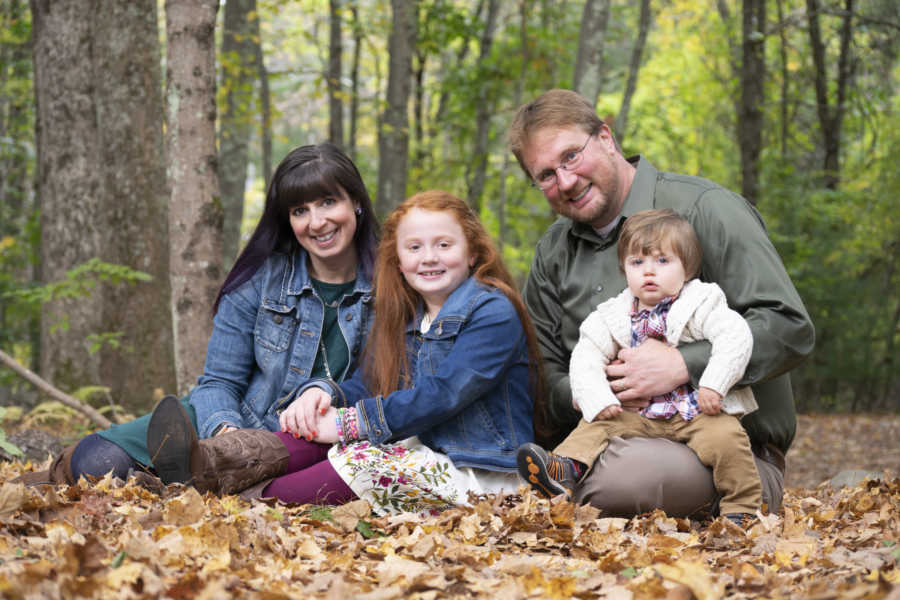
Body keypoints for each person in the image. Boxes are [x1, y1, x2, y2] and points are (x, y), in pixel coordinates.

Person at [508, 89, 815, 517]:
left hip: (723, 445)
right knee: (582, 465)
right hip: (610, 432)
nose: (565, 181)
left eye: (571, 156)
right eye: (544, 175)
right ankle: (565, 475)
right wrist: (590, 390)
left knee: (619, 478)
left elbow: (789, 327)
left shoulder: (706, 208)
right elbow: (541, 373)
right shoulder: (554, 251)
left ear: (605, 138)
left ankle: (741, 501)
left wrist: (683, 364)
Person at [147, 190, 540, 514]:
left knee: (361, 460)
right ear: (399, 262)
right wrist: (324, 394)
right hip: (422, 453)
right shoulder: (407, 315)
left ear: (473, 253)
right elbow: (368, 380)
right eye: (415, 247)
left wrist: (349, 423)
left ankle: (239, 497)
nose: (429, 257)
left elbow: (443, 394)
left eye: (444, 245)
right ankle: (205, 462)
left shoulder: (492, 310)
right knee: (315, 428)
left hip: (479, 471)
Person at [14, 143, 380, 489]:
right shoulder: (261, 279)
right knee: (94, 462)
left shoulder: (390, 286)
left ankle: (194, 479)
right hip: (232, 419)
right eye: (300, 210)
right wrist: (227, 433)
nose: (316, 222)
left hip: (317, 437)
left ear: (357, 202)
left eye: (328, 202)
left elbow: (384, 382)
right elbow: (219, 381)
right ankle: (186, 473)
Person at [518, 209, 762, 524]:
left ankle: (741, 508)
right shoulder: (612, 314)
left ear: (686, 267)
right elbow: (586, 355)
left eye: (662, 261)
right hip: (640, 415)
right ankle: (565, 468)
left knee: (728, 439)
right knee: (596, 425)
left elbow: (735, 335)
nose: (649, 272)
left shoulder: (701, 302)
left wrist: (714, 383)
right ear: (624, 269)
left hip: (695, 412)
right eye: (637, 263)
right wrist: (597, 397)